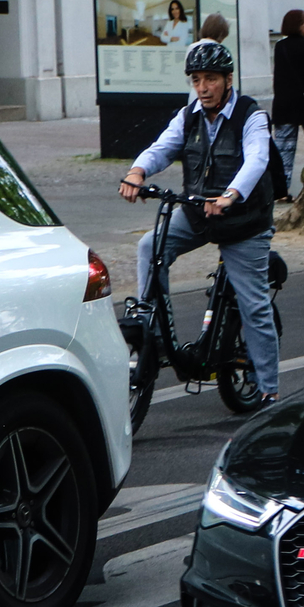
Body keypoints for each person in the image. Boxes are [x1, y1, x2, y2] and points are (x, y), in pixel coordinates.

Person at [119, 42, 282, 403]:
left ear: (227, 79)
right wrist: (137, 171)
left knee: (253, 303)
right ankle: (157, 339)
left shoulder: (251, 116)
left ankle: (268, 388)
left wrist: (231, 195)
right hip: (197, 213)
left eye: (210, 79)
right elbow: (164, 146)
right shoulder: (189, 115)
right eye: (196, 80)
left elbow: (256, 160)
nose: (203, 87)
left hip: (243, 221)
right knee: (150, 247)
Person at [272, 8, 304, 194]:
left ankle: (281, 191)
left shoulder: (279, 46)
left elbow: (279, 79)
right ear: (299, 25)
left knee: (284, 151)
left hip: (283, 105)